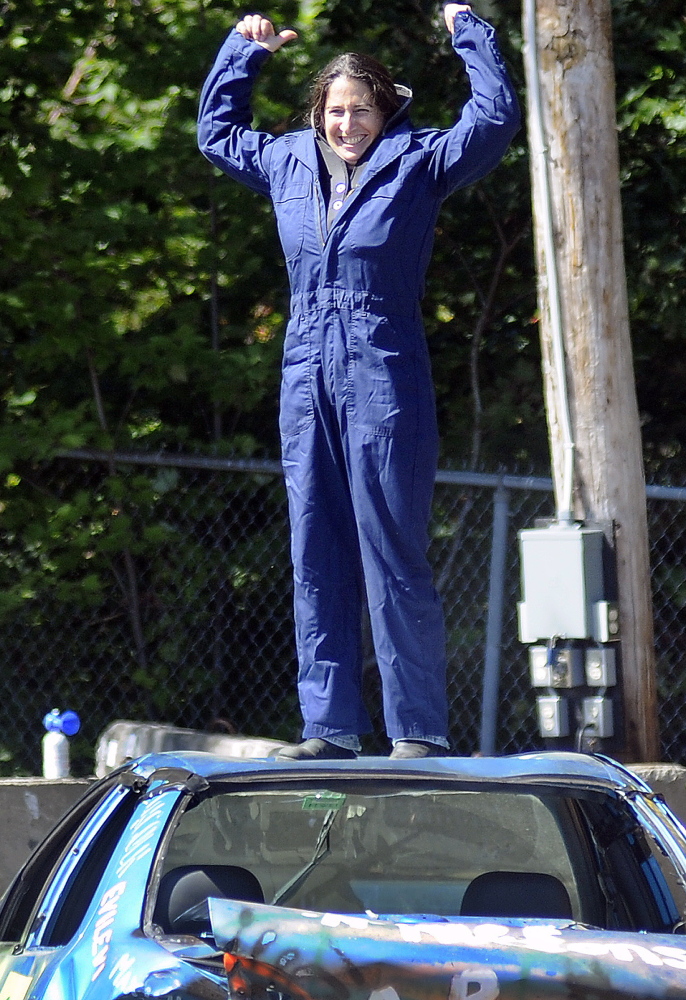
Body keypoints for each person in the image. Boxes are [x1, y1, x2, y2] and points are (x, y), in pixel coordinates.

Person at [198, 4, 519, 760]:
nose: (348, 124)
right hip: (305, 365)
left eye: (362, 110)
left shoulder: (421, 162)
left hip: (383, 368)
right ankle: (331, 728)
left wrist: (467, 29)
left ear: (386, 109)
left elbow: (494, 119)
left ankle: (417, 729)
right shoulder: (284, 162)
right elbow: (215, 135)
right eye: (336, 111)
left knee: (391, 547)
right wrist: (240, 55)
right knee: (315, 549)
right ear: (318, 114)